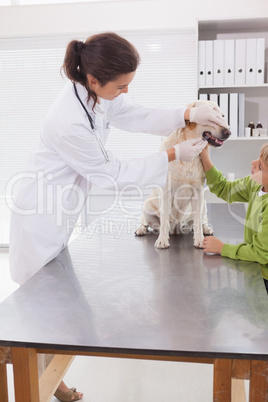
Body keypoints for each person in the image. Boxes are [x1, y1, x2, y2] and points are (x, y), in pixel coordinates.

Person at [8, 32, 228, 401]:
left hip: (60, 214)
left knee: (62, 312)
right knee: (40, 315)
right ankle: (43, 387)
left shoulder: (95, 95)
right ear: (94, 79)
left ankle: (54, 381)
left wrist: (188, 113)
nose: (125, 91)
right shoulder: (69, 120)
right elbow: (111, 175)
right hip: (40, 220)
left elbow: (135, 113)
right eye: (121, 85)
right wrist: (173, 155)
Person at [201, 142, 268, 290]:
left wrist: (222, 248)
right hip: (255, 271)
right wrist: (205, 157)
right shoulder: (255, 184)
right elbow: (224, 188)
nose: (253, 162)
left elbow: (260, 253)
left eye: (260, 166)